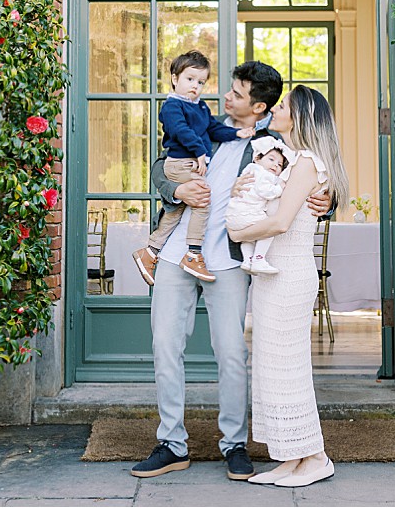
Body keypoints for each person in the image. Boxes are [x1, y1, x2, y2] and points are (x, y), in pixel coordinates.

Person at [129, 62, 332, 483]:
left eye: (237, 94)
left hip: (230, 262)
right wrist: (175, 189)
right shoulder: (198, 119)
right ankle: (171, 443)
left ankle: (234, 444)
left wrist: (326, 201)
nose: (226, 97)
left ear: (259, 106)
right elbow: (159, 165)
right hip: (174, 254)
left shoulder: (276, 144)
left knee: (232, 355)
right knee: (165, 347)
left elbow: (318, 179)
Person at [227, 85, 348, 488]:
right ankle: (289, 457)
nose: (276, 110)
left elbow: (279, 222)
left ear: (299, 118)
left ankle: (315, 456)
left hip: (289, 276)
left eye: (283, 107)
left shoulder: (308, 163)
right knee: (271, 369)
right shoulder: (291, 159)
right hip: (272, 275)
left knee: (289, 370)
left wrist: (237, 230)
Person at [132, 50, 252, 285]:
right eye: (189, 79)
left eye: (200, 82)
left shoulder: (200, 107)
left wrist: (237, 133)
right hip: (180, 163)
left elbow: (213, 129)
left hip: (189, 163)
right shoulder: (172, 106)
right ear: (175, 78)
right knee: (202, 201)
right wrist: (199, 151)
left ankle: (149, 251)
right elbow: (180, 131)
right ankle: (193, 253)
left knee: (175, 212)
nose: (195, 86)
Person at [227, 137, 291, 275]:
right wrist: (279, 188)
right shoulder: (263, 174)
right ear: (257, 158)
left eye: (280, 165)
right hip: (248, 215)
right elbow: (266, 192)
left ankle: (247, 260)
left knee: (248, 237)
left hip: (233, 217)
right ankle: (259, 259)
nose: (275, 165)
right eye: (271, 159)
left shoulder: (249, 170)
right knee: (267, 230)